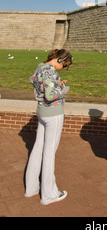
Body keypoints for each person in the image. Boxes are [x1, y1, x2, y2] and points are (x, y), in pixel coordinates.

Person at [25, 48, 72, 205]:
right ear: (59, 60)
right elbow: (51, 95)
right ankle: (49, 194)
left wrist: (56, 84)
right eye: (64, 65)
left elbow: (34, 80)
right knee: (49, 153)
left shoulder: (41, 67)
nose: (63, 68)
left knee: (38, 148)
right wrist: (64, 90)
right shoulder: (51, 71)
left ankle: (31, 188)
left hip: (41, 112)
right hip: (53, 113)